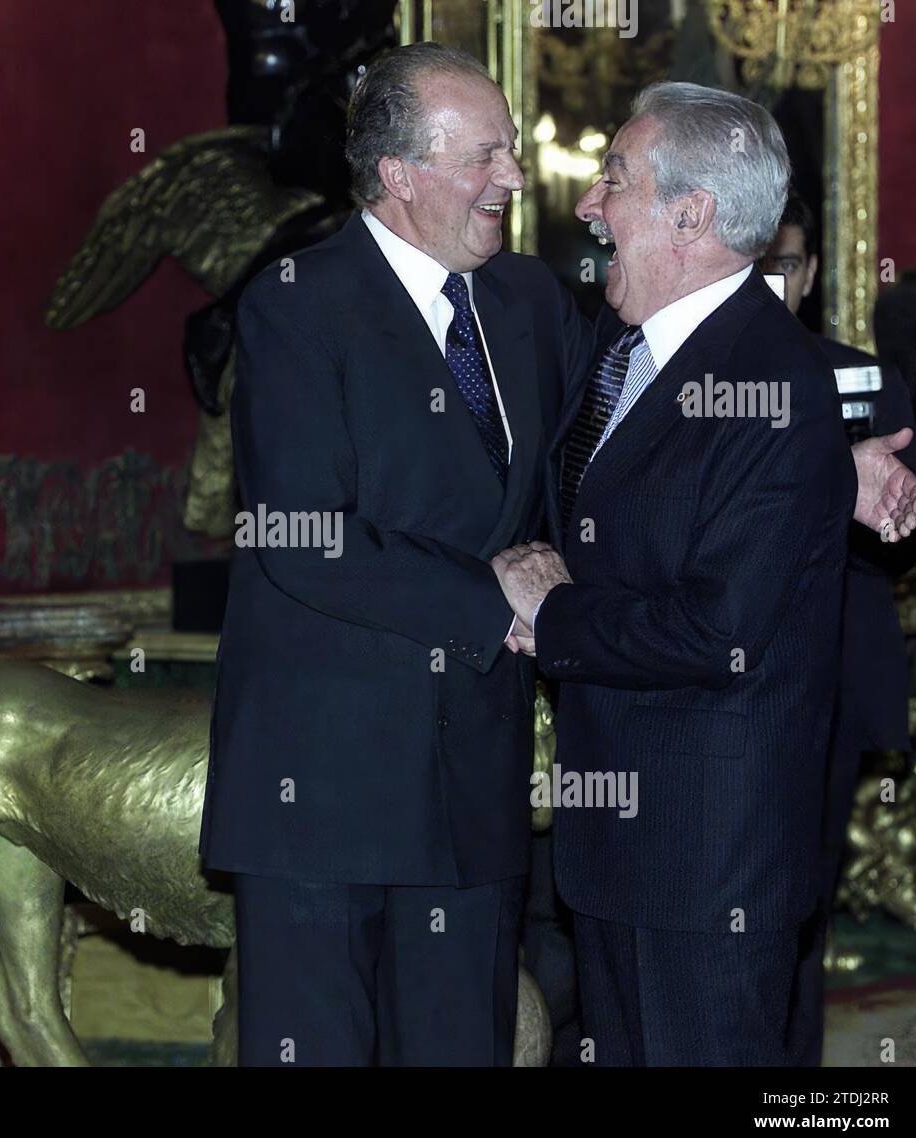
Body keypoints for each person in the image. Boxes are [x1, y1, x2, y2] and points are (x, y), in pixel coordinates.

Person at [496, 81, 916, 1066]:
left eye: (614, 180)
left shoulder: (774, 387)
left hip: (706, 864)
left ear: (689, 215)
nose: (590, 205)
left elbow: (713, 633)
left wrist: (551, 612)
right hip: (617, 853)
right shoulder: (621, 346)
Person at [200, 42, 596, 1066]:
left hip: (473, 776)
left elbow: (614, 460)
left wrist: (826, 452)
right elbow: (301, 535)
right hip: (322, 786)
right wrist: (491, 597)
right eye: (486, 155)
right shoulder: (296, 302)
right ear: (399, 175)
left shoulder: (531, 303)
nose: (512, 176)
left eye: (511, 151)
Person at [763, 190, 916, 1065]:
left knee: (803, 916)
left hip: (824, 688)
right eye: (755, 267)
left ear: (812, 273)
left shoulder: (862, 378)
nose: (769, 285)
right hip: (706, 688)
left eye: (785, 268)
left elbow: (901, 552)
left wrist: (886, 513)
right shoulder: (689, 381)